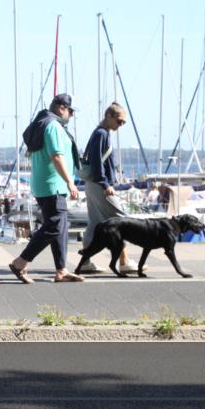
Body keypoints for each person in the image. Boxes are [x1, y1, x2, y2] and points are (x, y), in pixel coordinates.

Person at [9, 94, 84, 284]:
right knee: (54, 225)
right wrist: (70, 181)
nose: (72, 115)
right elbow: (56, 156)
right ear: (61, 108)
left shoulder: (42, 123)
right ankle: (20, 262)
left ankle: (61, 270)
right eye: (71, 111)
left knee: (61, 226)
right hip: (53, 185)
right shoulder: (53, 126)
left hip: (46, 184)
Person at [76, 102, 137, 275]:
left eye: (123, 122)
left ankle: (86, 261)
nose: (121, 125)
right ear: (108, 116)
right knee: (121, 221)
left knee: (95, 223)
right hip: (100, 185)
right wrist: (106, 184)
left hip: (94, 184)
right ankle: (124, 262)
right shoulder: (101, 134)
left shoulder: (101, 133)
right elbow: (96, 163)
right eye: (119, 121)